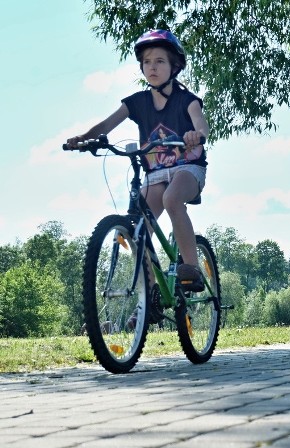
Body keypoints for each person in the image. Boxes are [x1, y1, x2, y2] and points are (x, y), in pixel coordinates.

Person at [66, 29, 209, 292]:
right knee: (138, 227)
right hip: (155, 173)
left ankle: (191, 268)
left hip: (188, 168)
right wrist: (84, 138)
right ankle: (150, 292)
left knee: (172, 199)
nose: (152, 67)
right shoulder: (137, 102)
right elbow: (107, 124)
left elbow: (202, 126)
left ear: (174, 66)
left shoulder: (187, 100)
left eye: (159, 61)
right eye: (147, 62)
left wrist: (195, 135)